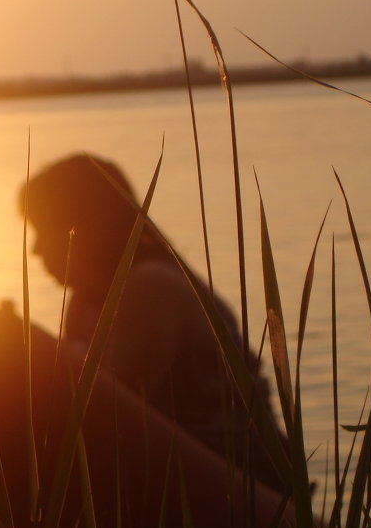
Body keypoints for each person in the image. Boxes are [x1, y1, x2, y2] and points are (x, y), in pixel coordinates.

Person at [20, 153, 288, 489]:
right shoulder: (87, 300)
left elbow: (105, 414)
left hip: (240, 492)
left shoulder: (151, 288)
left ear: (89, 224)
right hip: (177, 483)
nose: (36, 250)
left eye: (45, 229)